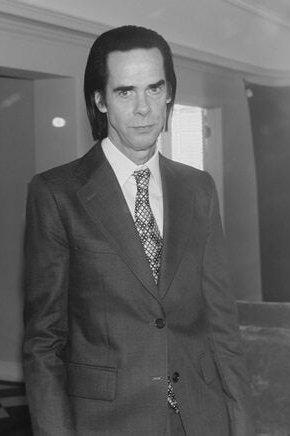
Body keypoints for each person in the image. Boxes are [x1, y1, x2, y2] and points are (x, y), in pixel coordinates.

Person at [22, 25, 255, 435]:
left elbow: (222, 322)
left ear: (169, 93)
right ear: (100, 100)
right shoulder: (57, 194)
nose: (143, 108)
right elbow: (45, 342)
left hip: (201, 416)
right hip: (107, 421)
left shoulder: (198, 188)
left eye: (153, 88)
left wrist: (242, 423)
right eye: (125, 91)